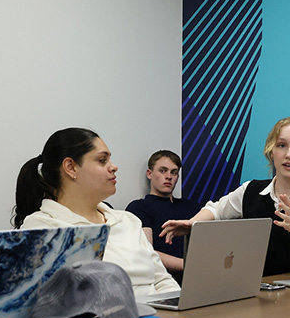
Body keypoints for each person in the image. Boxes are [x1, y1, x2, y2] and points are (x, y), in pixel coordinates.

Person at [161, 117, 290, 276]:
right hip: (253, 292)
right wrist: (191, 223)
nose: (289, 154)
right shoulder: (250, 190)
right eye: (281, 145)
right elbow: (216, 209)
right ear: (272, 152)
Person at [13, 127, 179, 297]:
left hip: (162, 317)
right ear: (71, 167)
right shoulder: (43, 228)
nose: (114, 167)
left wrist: (175, 312)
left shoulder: (128, 221)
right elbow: (62, 302)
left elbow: (162, 280)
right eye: (102, 160)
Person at [126, 150, 201, 283]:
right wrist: (189, 265)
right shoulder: (139, 207)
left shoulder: (192, 206)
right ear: (150, 174)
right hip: (169, 277)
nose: (169, 176)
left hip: (200, 269)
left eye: (174, 172)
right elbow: (147, 253)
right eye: (162, 171)